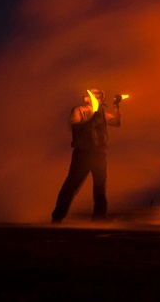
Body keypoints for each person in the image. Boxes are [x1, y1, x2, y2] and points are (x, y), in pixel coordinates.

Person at [51, 89, 122, 223]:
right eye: (95, 95)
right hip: (83, 152)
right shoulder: (79, 110)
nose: (99, 97)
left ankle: (99, 217)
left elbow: (116, 122)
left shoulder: (101, 113)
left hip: (99, 153)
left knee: (100, 186)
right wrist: (93, 118)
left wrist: (116, 105)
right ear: (86, 98)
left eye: (100, 96)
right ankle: (57, 216)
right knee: (72, 184)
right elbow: (75, 126)